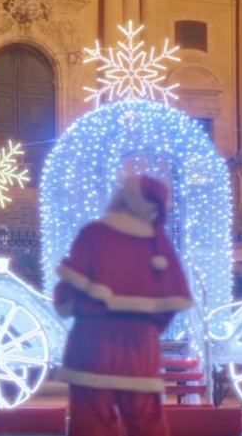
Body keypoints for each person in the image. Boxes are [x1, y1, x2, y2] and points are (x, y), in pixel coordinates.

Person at [53, 175, 193, 436]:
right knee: (146, 422)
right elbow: (171, 303)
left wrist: (74, 302)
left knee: (91, 422)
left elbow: (66, 294)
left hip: (91, 345)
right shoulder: (157, 246)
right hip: (140, 348)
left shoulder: (94, 234)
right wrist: (147, 328)